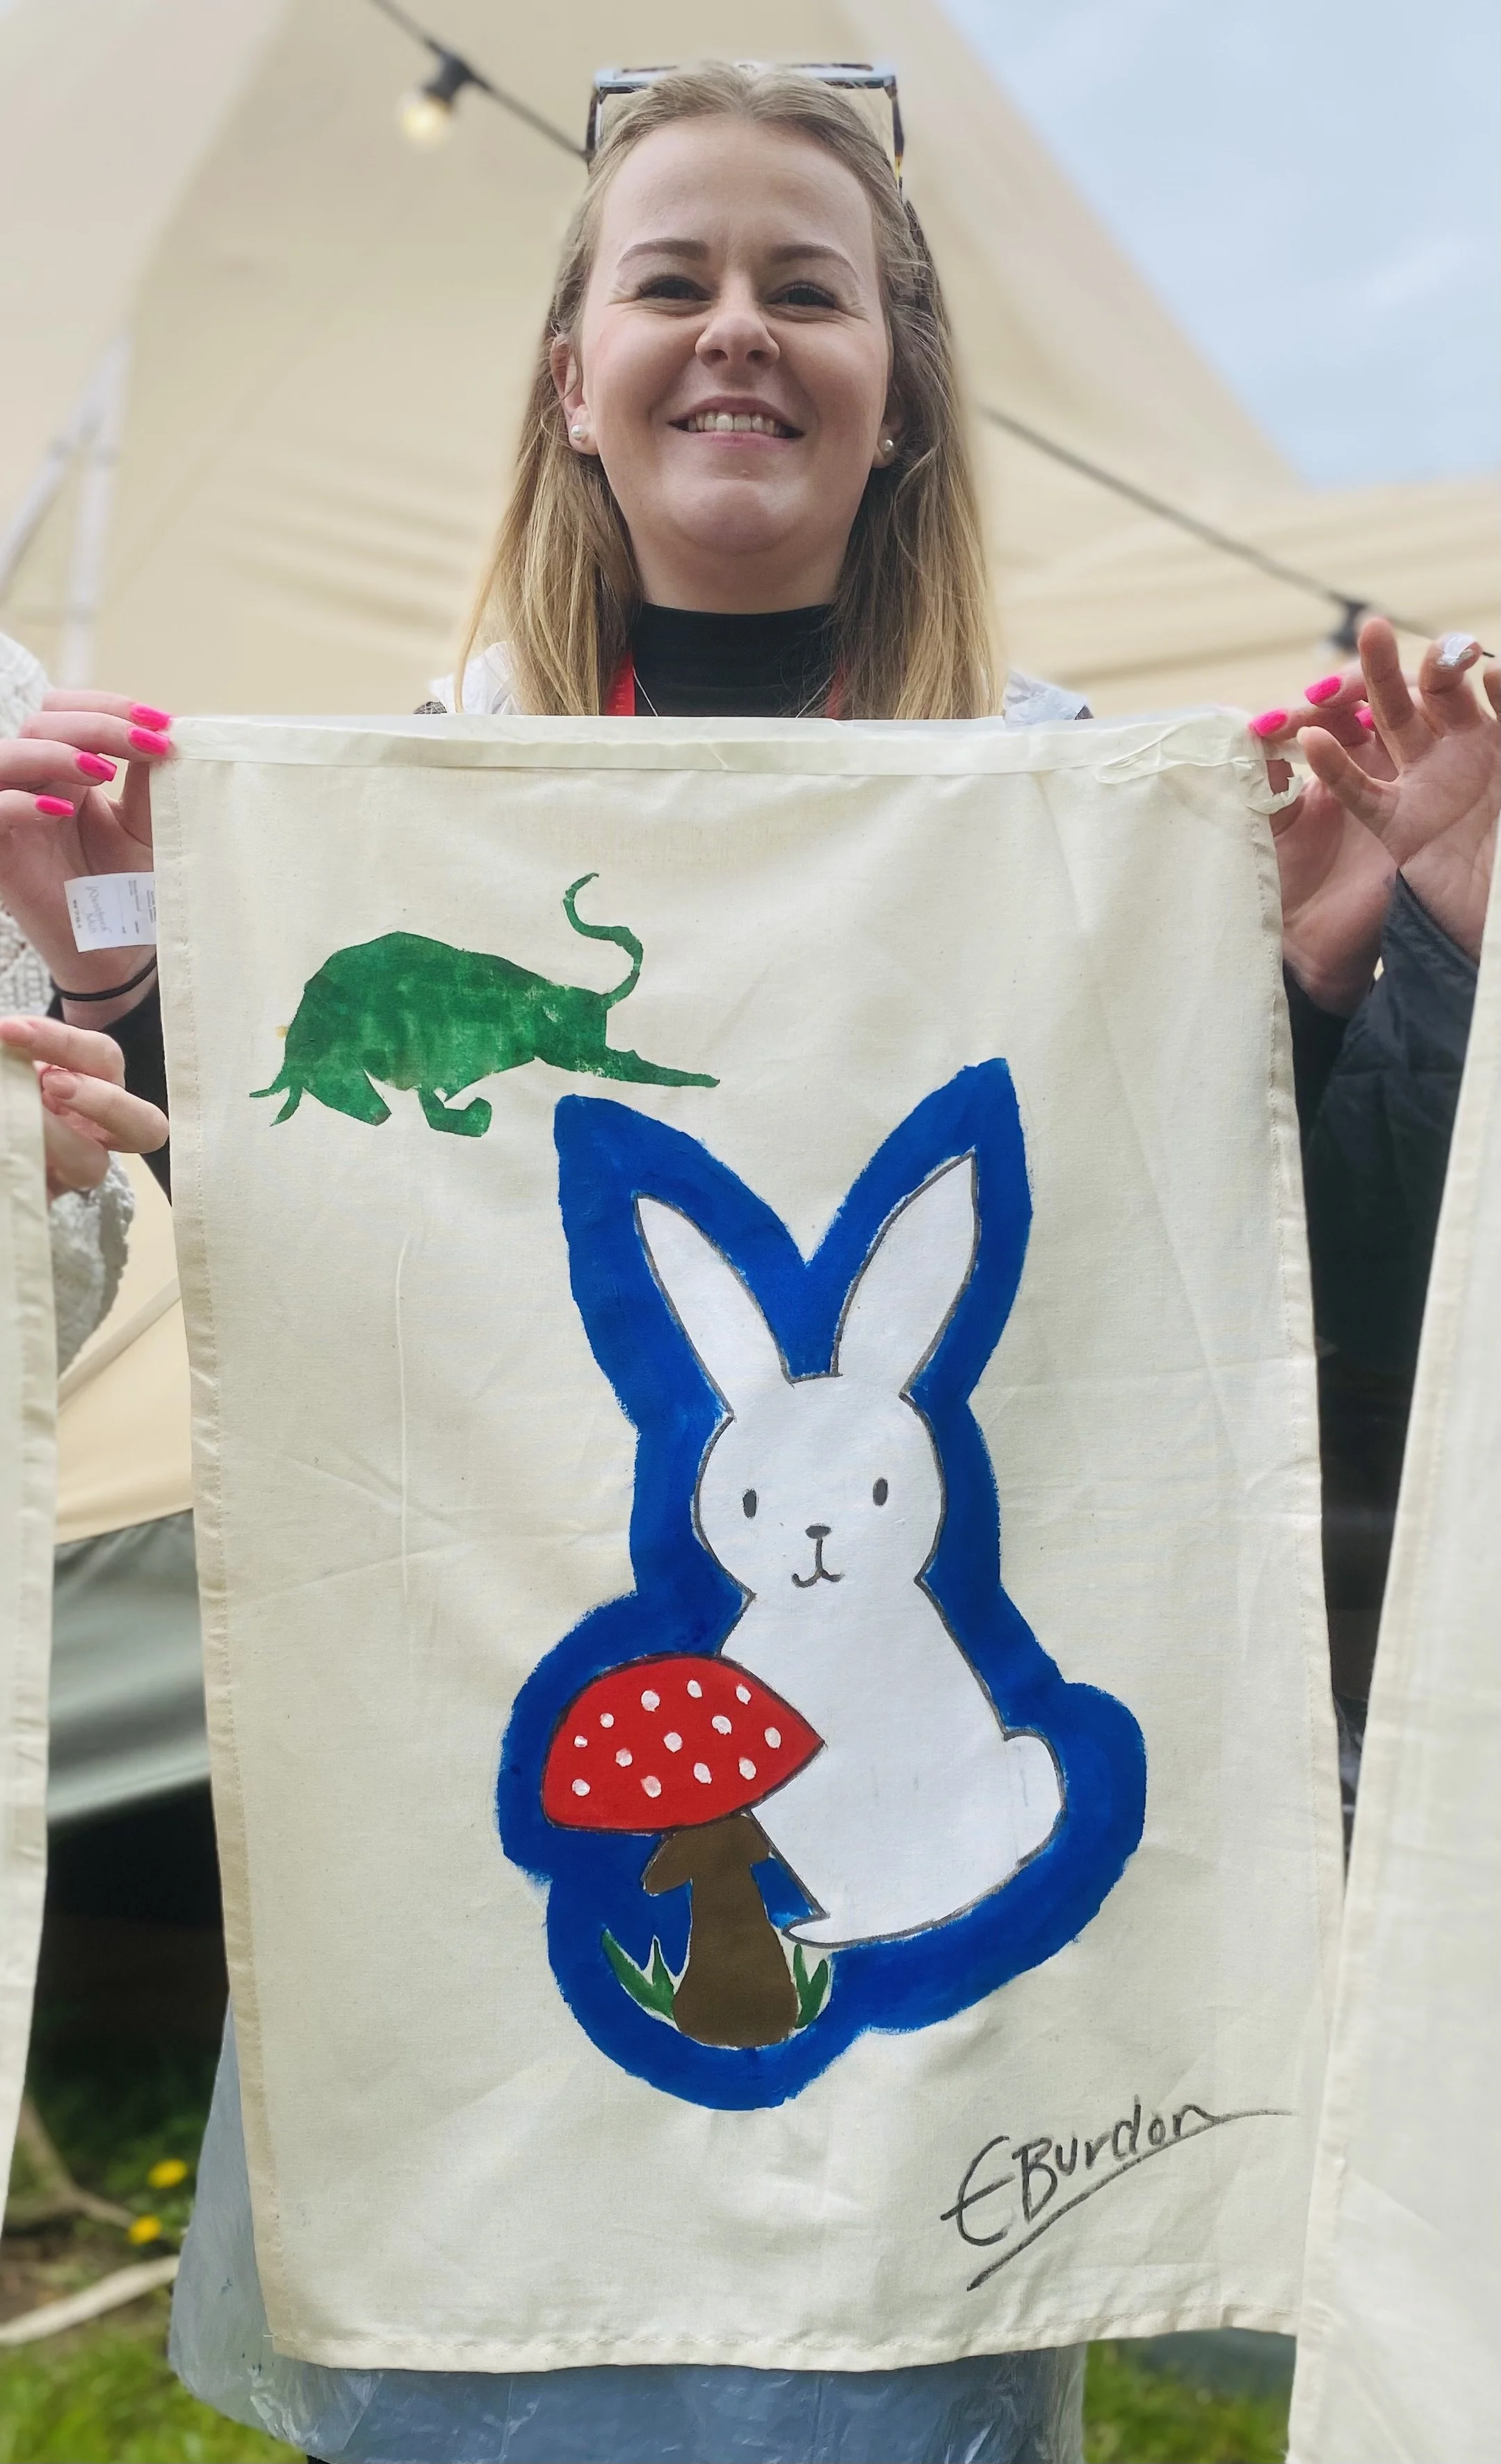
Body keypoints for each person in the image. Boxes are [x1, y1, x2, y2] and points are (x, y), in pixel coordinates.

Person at [0, 59, 1495, 2464]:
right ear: (568, 381)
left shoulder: (1074, 818)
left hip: (932, 2099)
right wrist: (124, 970)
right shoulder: (388, 817)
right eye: (668, 280)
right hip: (488, 1988)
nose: (732, 329)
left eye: (805, 287)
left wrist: (1341, 988)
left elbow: (1203, 1342)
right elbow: (349, 1282)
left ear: (899, 393)